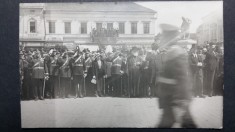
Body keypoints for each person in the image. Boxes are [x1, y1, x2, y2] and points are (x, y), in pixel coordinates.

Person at [157, 24, 196, 128]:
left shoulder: (177, 53)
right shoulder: (171, 52)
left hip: (175, 100)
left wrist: (180, 101)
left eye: (163, 36)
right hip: (171, 99)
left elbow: (183, 78)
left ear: (169, 38)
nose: (162, 38)